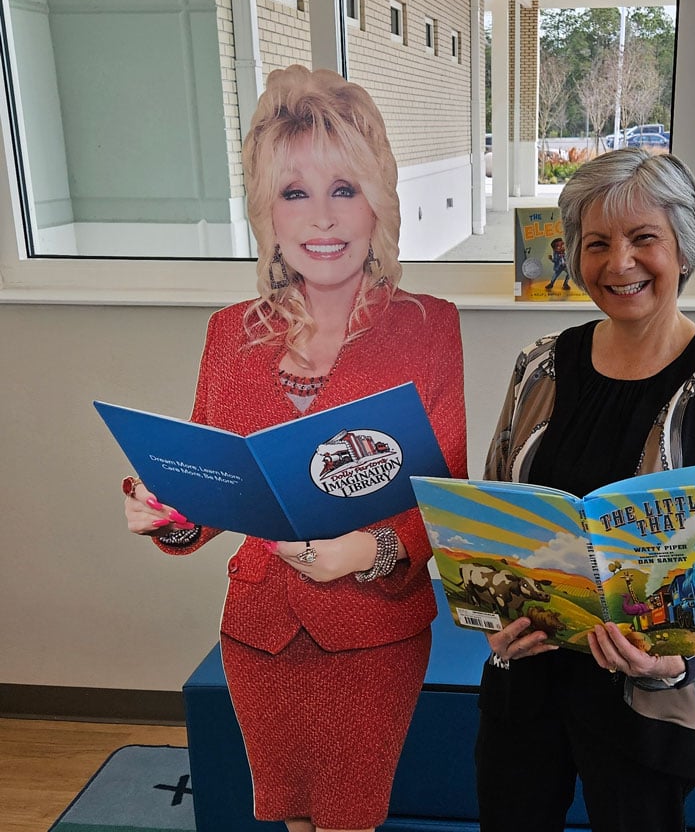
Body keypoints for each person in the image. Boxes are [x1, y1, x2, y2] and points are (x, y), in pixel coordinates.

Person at [121, 64, 467, 832]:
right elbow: (208, 491)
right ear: (267, 213)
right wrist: (163, 509)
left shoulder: (428, 326)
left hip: (373, 631)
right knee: (291, 819)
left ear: (377, 201)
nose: (323, 218)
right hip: (258, 632)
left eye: (344, 189)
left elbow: (444, 500)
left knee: (349, 818)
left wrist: (369, 550)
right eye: (294, 193)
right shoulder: (228, 335)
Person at [476, 147, 695, 832]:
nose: (619, 264)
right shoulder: (540, 367)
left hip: (649, 694)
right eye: (596, 244)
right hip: (529, 676)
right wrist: (492, 616)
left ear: (681, 247)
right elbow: (492, 508)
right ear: (573, 256)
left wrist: (676, 658)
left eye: (643, 238)